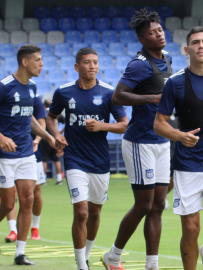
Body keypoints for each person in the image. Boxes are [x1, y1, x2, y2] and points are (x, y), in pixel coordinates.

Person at [0, 44, 61, 265]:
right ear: (25, 62)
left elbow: (29, 117)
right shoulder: (2, 87)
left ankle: (20, 253)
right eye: (38, 60)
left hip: (25, 152)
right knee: (8, 204)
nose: (42, 64)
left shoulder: (31, 87)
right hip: (3, 154)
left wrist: (48, 136)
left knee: (28, 199)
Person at [154, 26, 203, 270]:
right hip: (187, 166)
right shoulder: (175, 83)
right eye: (195, 42)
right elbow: (159, 124)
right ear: (187, 49)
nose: (201, 45)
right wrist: (179, 135)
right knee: (190, 227)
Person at [101, 9, 172, 270]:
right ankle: (114, 256)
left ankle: (151, 265)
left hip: (162, 141)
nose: (158, 34)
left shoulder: (168, 59)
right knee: (144, 204)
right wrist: (152, 98)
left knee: (159, 204)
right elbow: (118, 97)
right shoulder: (139, 64)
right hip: (140, 141)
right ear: (142, 39)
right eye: (152, 32)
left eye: (160, 29)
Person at [47, 47, 128, 270]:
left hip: (100, 161)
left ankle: (87, 254)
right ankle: (81, 264)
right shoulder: (63, 92)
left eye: (95, 62)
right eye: (87, 62)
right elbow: (51, 117)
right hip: (74, 159)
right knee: (81, 211)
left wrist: (102, 125)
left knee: (94, 213)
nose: (92, 66)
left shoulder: (108, 92)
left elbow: (124, 124)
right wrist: (55, 134)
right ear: (77, 67)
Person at [3, 93, 48, 243]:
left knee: (35, 191)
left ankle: (35, 227)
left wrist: (37, 139)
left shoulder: (34, 98)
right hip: (12, 150)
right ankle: (13, 230)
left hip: (32, 151)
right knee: (12, 191)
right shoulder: (8, 96)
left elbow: (41, 123)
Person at [41, 99, 63, 185]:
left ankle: (43, 180)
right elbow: (66, 122)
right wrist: (60, 133)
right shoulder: (56, 114)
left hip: (45, 140)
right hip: (55, 139)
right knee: (57, 159)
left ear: (45, 106)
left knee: (44, 160)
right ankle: (59, 179)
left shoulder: (42, 114)